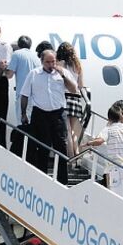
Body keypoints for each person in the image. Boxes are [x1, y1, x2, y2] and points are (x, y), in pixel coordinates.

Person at [20, 50, 77, 185]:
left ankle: (62, 180)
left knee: (61, 147)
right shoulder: (34, 74)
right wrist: (23, 114)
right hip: (40, 113)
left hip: (58, 114)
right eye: (48, 62)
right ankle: (41, 178)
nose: (51, 64)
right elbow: (24, 94)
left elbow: (73, 89)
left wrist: (63, 74)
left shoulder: (61, 73)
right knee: (42, 146)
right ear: (41, 61)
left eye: (53, 61)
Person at [79, 105, 123, 200]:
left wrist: (88, 143)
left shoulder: (108, 129)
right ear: (121, 117)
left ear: (109, 118)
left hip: (116, 167)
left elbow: (99, 141)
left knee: (115, 198)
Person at [7, 36, 40, 155]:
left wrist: (3, 67)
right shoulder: (35, 57)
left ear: (19, 45)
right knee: (31, 124)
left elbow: (9, 74)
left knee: (21, 123)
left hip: (22, 95)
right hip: (35, 96)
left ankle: (22, 151)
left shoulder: (16, 54)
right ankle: (31, 150)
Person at [55, 43, 86, 156]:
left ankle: (70, 156)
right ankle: (76, 154)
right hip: (76, 99)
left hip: (66, 97)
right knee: (73, 131)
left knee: (66, 130)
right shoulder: (78, 65)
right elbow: (81, 85)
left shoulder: (60, 64)